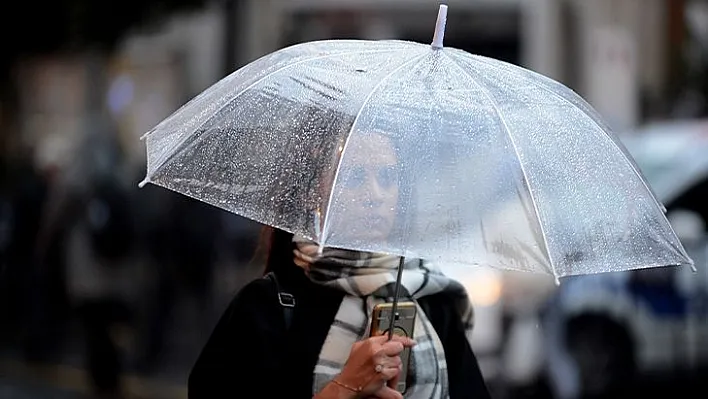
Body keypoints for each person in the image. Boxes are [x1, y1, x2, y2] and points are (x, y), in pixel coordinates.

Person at [188, 130, 491, 398]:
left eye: (387, 178)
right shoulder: (270, 306)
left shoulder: (433, 303)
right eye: (353, 178)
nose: (374, 194)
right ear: (312, 194)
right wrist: (346, 386)